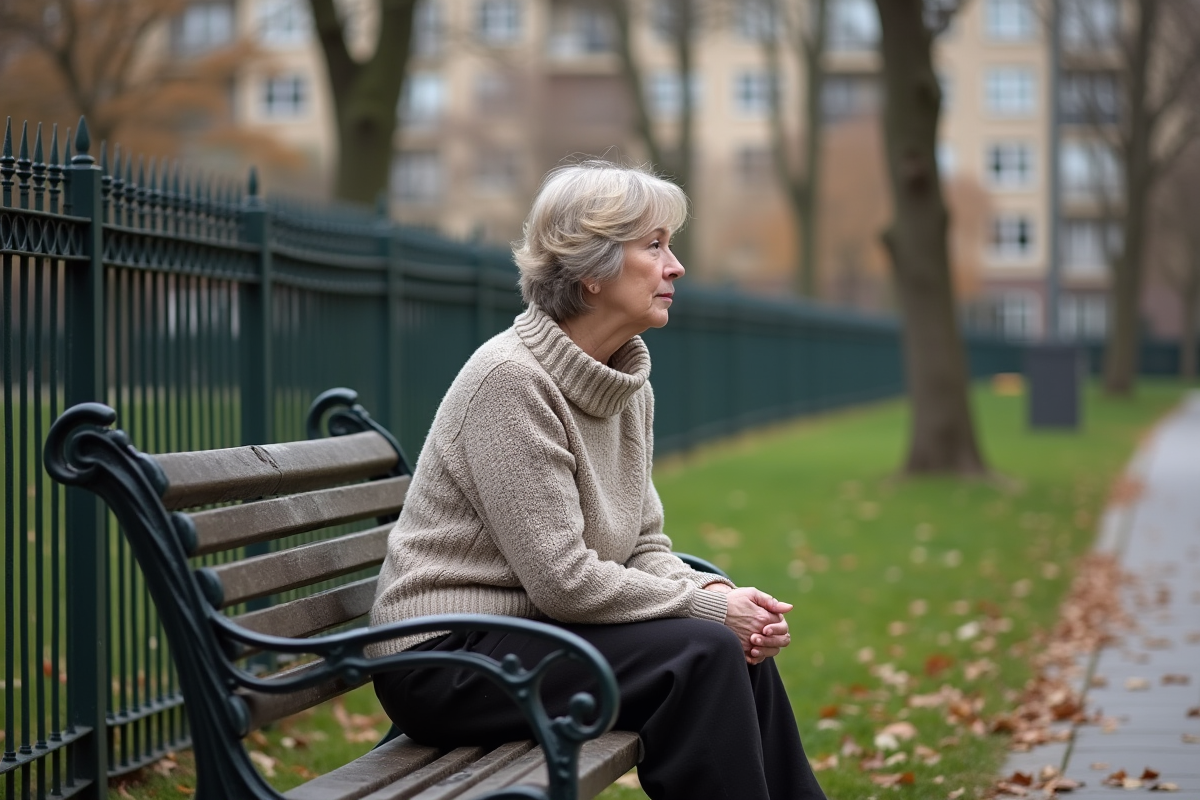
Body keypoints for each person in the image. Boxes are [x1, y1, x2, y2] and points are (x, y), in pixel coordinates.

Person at [370, 160, 827, 800]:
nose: (677, 266)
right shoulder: (510, 381)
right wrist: (705, 608)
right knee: (701, 652)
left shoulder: (622, 381)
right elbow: (563, 581)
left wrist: (723, 597)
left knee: (730, 648)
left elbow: (643, 544)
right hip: (448, 659)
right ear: (590, 271)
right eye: (655, 246)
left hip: (531, 637)